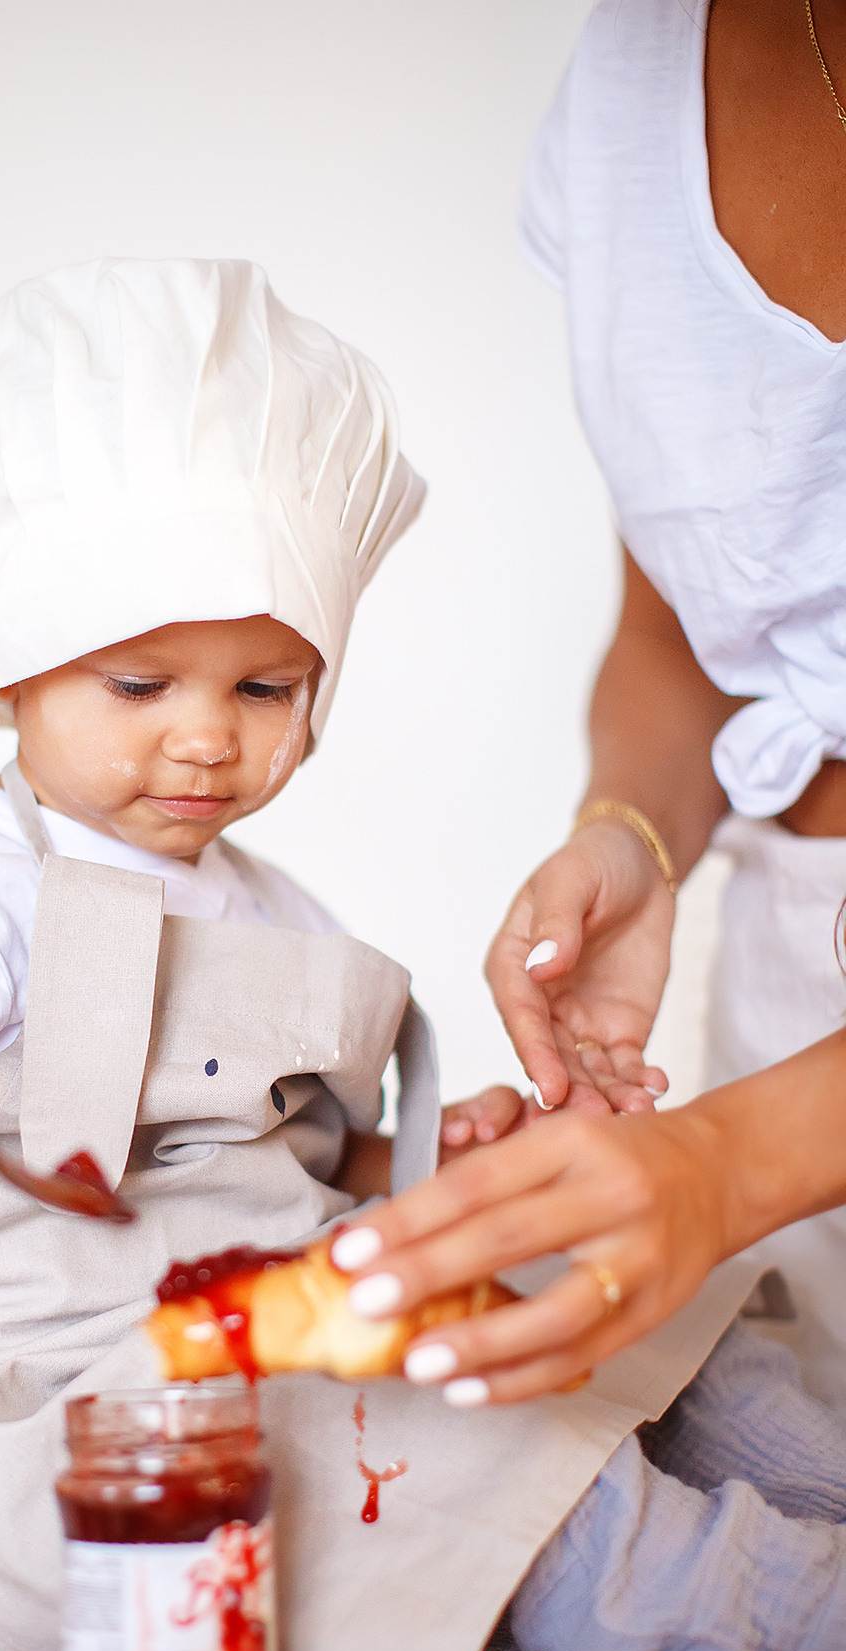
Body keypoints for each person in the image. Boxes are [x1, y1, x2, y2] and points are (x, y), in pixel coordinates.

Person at [0, 259, 845, 1651]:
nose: (208, 742)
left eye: (263, 687)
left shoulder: (273, 908)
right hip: (79, 1423)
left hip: (275, 1326)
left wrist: (435, 1156)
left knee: (626, 1316)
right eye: (141, 686)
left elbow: (290, 1167)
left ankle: (810, 1467)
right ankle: (773, 1599)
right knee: (481, 1479)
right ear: (13, 673)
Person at [341, 0, 846, 1413]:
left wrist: (728, 1161)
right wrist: (630, 831)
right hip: (787, 1006)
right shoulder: (632, 71)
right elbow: (681, 629)